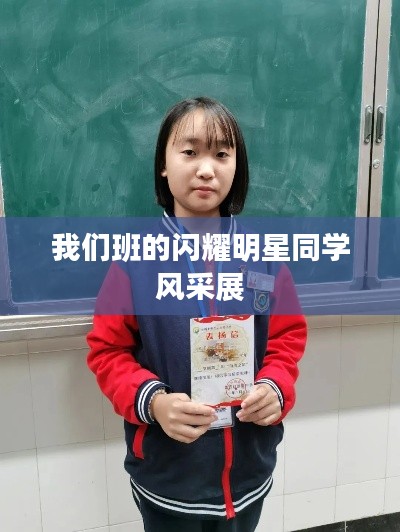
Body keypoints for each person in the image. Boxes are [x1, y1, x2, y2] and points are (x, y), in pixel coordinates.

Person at [87, 96, 307, 531]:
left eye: (222, 154)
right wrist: (155, 403)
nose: (207, 169)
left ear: (237, 168)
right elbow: (107, 352)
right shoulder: (134, 262)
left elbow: (286, 339)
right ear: (163, 165)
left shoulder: (264, 257)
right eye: (189, 152)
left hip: (248, 473)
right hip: (170, 479)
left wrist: (275, 387)